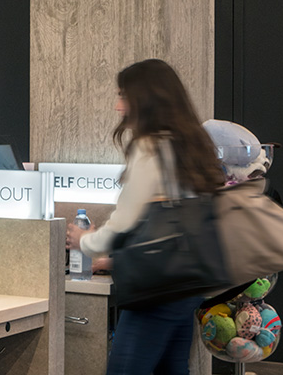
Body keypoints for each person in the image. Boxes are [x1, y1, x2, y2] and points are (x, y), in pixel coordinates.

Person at [66, 59, 224, 375]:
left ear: (144, 100)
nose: (117, 105)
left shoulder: (150, 147)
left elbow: (125, 221)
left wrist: (85, 241)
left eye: (123, 95)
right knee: (172, 368)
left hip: (156, 288)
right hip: (188, 284)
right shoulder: (192, 144)